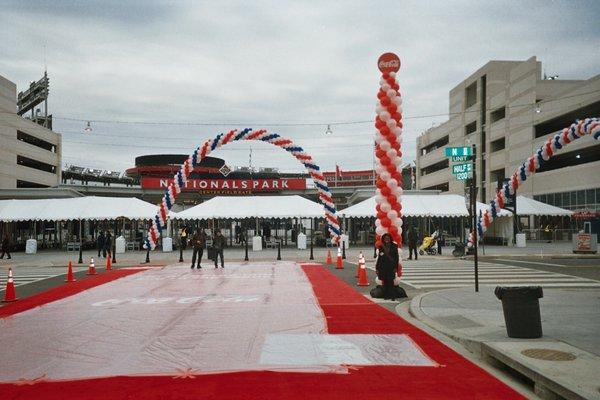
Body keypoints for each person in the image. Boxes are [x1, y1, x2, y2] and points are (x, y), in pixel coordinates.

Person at [375, 233, 399, 300]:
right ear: (383, 239)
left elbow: (396, 258)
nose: (387, 239)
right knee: (385, 281)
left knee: (391, 281)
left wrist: (395, 267)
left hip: (391, 267)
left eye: (388, 238)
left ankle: (392, 296)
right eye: (385, 238)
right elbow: (380, 258)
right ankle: (386, 295)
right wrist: (377, 268)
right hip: (383, 267)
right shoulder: (381, 247)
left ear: (390, 239)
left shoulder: (394, 246)